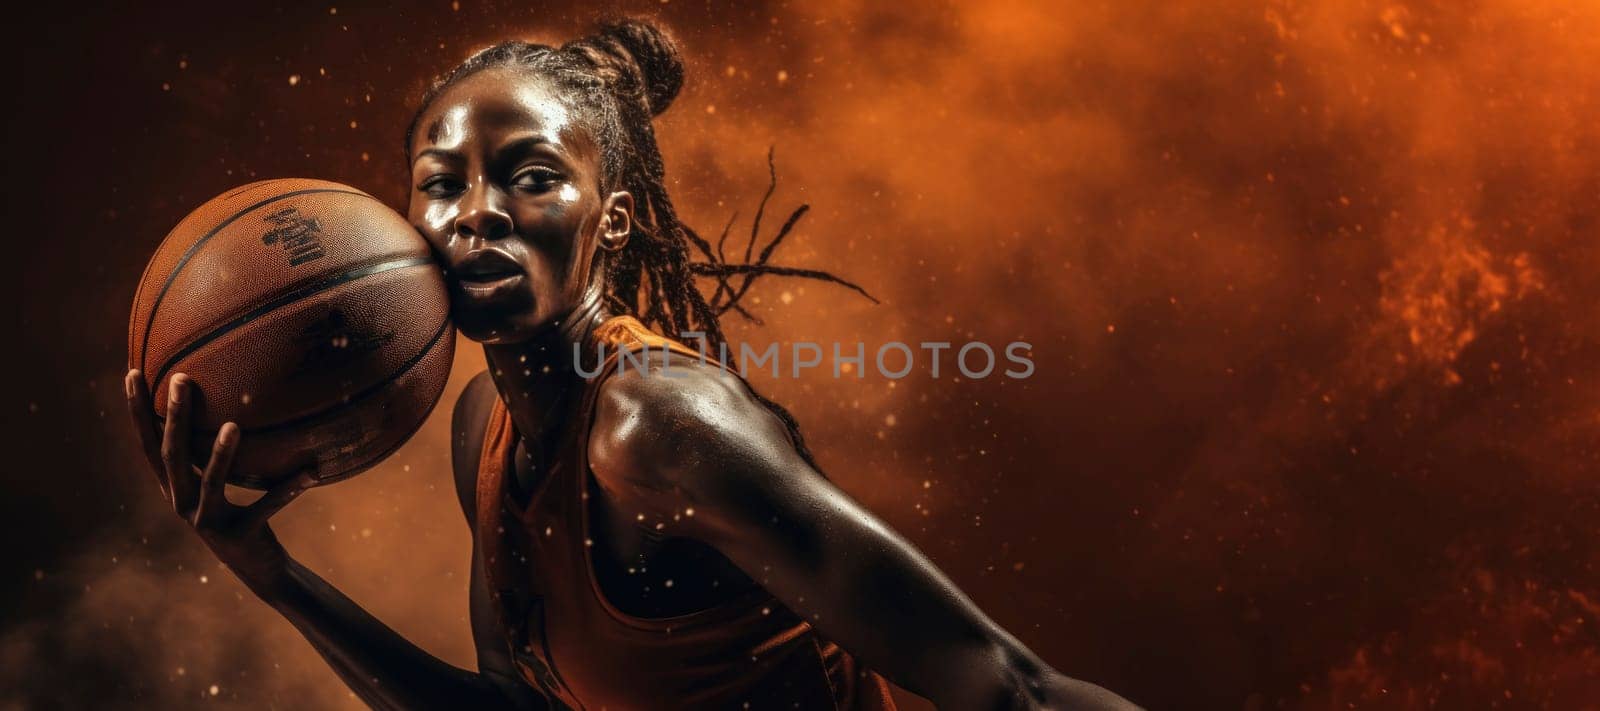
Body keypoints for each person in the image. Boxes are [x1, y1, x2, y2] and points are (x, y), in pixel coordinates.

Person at [123, 18, 1141, 711]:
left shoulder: (661, 431)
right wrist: (273, 578)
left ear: (608, 222)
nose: (476, 210)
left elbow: (1011, 688)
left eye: (530, 177)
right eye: (440, 183)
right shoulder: (487, 425)